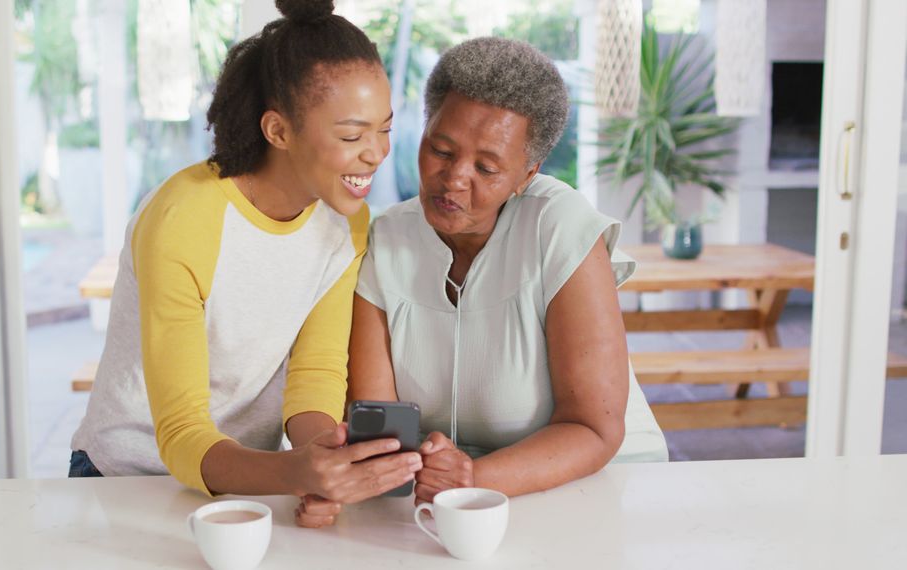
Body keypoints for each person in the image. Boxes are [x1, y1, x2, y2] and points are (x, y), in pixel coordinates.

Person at [70, 0, 421, 528]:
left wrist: (326, 458)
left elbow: (316, 371)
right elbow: (183, 432)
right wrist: (298, 473)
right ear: (278, 130)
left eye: (384, 129)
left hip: (245, 480)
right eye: (352, 136)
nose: (376, 153)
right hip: (126, 479)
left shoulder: (345, 222)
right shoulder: (183, 220)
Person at [349, 37, 668, 504]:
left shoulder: (560, 227)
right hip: (441, 497)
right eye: (441, 149)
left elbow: (593, 427)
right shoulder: (386, 239)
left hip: (598, 489)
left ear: (527, 174)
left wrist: (471, 478)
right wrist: (424, 466)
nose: (456, 177)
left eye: (487, 167)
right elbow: (381, 426)